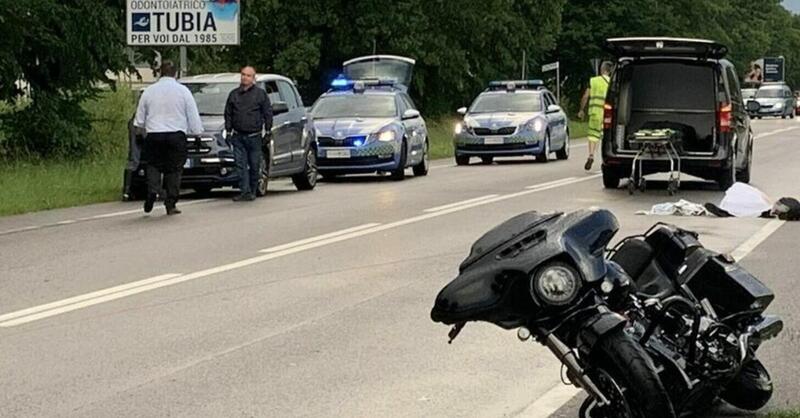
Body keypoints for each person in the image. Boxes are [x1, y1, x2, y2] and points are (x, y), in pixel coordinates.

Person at [133, 61, 203, 215]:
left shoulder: (149, 91)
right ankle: (170, 203)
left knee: (153, 165)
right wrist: (197, 134)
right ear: (176, 74)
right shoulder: (183, 91)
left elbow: (140, 118)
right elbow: (192, 114)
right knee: (174, 169)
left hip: (154, 135)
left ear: (159, 73)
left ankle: (152, 190)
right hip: (175, 136)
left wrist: (139, 133)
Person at [224, 66, 273, 202]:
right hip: (238, 136)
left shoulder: (260, 94)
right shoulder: (234, 94)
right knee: (240, 165)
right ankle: (244, 191)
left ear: (253, 78)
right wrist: (228, 131)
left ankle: (252, 190)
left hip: (254, 136)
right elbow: (228, 114)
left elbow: (267, 113)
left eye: (248, 75)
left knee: (254, 164)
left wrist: (268, 131)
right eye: (243, 75)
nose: (245, 77)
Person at [578, 61, 613, 171]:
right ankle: (606, 159)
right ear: (610, 71)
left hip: (594, 113)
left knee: (593, 136)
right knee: (607, 137)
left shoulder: (593, 81)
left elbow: (585, 96)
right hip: (608, 114)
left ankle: (591, 155)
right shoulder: (613, 82)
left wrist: (581, 110)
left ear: (601, 70)